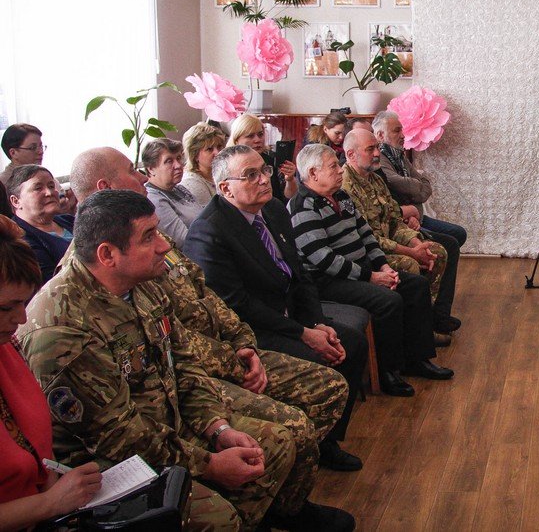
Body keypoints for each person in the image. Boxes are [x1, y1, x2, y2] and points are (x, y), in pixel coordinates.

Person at [18, 190, 353, 530]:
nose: (164, 245)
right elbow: (118, 437)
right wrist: (210, 464)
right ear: (107, 254)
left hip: (171, 418)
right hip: (109, 463)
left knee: (275, 445)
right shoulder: (62, 329)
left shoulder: (141, 283)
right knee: (220, 519)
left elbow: (182, 362)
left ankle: (263, 517)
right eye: (149, 236)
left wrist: (218, 428)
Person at [68, 146, 353, 476]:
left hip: (216, 356)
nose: (143, 177)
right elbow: (174, 348)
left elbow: (207, 297)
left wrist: (245, 345)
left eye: (264, 171)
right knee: (289, 432)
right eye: (133, 171)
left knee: (332, 379)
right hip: (189, 379)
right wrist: (235, 364)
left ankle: (312, 461)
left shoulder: (148, 245)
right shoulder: (94, 284)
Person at [184, 145, 368, 472]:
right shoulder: (210, 231)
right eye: (250, 175)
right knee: (321, 361)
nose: (263, 179)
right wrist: (304, 334)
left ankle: (327, 440)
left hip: (291, 314)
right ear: (226, 188)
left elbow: (299, 274)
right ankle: (306, 450)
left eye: (264, 170)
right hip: (253, 331)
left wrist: (316, 322)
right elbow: (236, 305)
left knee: (351, 343)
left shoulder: (273, 210)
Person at [291, 144, 453, 393]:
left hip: (359, 270)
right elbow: (324, 259)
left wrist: (383, 266)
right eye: (333, 166)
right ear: (313, 173)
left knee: (415, 285)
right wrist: (370, 277)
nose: (340, 170)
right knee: (388, 301)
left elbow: (366, 234)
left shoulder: (341, 196)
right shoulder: (303, 207)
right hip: (328, 281)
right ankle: (388, 372)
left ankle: (417, 359)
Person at [0, 216, 103, 529]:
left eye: (24, 303)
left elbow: (35, 451)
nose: (21, 319)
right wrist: (50, 503)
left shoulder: (8, 348)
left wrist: (61, 493)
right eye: (6, 308)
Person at [341, 130, 462, 335]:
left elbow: (394, 221)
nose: (377, 153)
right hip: (369, 252)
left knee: (436, 252)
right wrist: (411, 252)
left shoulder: (375, 179)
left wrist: (417, 245)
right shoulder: (346, 187)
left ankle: (429, 320)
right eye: (370, 149)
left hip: (389, 242)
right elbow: (368, 238)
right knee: (410, 264)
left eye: (377, 147)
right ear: (351, 154)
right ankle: (414, 331)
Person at [373, 110, 469, 248]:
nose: (402, 135)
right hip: (401, 220)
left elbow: (425, 185)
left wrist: (412, 194)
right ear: (380, 135)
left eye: (402, 130)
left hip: (416, 216)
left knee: (459, 233)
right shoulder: (378, 158)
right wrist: (414, 188)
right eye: (397, 131)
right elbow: (394, 182)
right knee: (451, 243)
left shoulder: (398, 155)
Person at [7, 165, 74, 283]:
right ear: (16, 201)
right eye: (38, 188)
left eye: (51, 186)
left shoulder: (69, 220)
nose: (49, 192)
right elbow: (53, 282)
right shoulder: (18, 240)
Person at [142, 138, 203, 247]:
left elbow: (205, 216)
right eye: (169, 161)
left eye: (179, 158)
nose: (178, 165)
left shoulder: (179, 188)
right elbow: (183, 240)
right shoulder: (153, 198)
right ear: (151, 169)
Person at [228, 113, 298, 200]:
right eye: (250, 136)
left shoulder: (272, 159)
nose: (257, 140)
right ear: (236, 140)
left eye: (260, 134)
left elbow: (290, 197)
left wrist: (290, 180)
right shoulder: (228, 163)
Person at [179, 122, 227, 207]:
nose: (217, 153)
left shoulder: (223, 173)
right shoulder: (191, 182)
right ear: (195, 155)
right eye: (209, 149)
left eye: (219, 146)